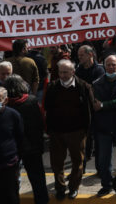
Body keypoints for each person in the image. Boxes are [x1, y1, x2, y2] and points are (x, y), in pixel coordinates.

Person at [44, 59, 93, 200]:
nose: (63, 75)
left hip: (77, 131)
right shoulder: (53, 87)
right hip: (57, 132)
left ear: (73, 71)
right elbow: (47, 108)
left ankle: (73, 188)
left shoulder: (84, 87)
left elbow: (89, 110)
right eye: (60, 72)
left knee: (77, 161)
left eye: (66, 72)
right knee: (57, 163)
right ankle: (60, 188)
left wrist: (86, 130)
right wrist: (50, 129)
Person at [2, 75, 49, 204]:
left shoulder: (5, 106)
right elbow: (42, 122)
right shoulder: (33, 102)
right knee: (38, 180)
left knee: (12, 181)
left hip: (12, 149)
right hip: (33, 147)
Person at [91, 54, 116, 197]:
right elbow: (95, 104)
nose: (111, 67)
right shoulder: (96, 84)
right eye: (108, 64)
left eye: (114, 64)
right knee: (103, 160)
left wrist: (103, 105)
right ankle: (106, 185)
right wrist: (103, 106)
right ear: (104, 65)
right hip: (104, 127)